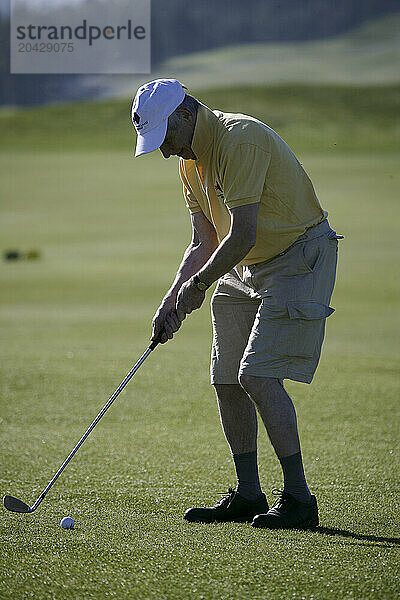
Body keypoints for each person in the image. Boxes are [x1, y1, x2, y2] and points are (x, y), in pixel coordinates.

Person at [131, 78, 342, 529]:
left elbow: (241, 231)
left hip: (297, 256)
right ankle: (248, 494)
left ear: (186, 114)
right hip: (244, 263)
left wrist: (198, 287)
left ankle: (300, 501)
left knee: (258, 375)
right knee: (226, 377)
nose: (165, 151)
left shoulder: (238, 139)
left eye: (165, 137)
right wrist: (172, 298)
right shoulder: (191, 161)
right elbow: (204, 239)